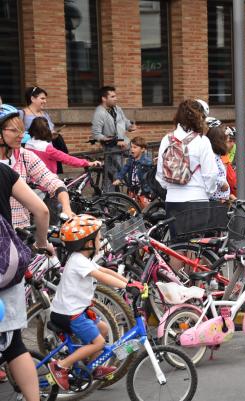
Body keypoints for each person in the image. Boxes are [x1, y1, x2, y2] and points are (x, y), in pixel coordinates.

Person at [48, 215, 143, 390]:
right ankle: (61, 365)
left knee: (104, 329)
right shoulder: (78, 261)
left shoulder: (83, 259)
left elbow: (105, 270)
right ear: (87, 243)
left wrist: (129, 283)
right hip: (70, 315)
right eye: (98, 237)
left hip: (75, 311)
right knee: (98, 343)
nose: (100, 240)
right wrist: (126, 287)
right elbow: (101, 277)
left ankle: (92, 368)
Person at [0, 162, 53, 401]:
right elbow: (41, 210)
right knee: (14, 345)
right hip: (5, 271)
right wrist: (41, 243)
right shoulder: (3, 171)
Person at [0, 104, 73, 227]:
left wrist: (67, 208)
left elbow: (52, 181)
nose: (21, 135)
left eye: (22, 130)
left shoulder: (25, 156)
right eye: (14, 130)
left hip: (20, 230)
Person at [156, 100, 218, 237]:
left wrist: (171, 187)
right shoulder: (202, 141)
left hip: (172, 200)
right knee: (194, 248)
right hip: (197, 200)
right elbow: (211, 174)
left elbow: (160, 173)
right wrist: (208, 192)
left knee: (176, 248)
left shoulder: (167, 139)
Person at [91, 86, 138, 192]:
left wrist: (130, 126)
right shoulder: (99, 113)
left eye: (115, 96)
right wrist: (113, 140)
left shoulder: (118, 109)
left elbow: (125, 122)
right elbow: (96, 134)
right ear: (104, 98)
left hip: (125, 145)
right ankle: (111, 200)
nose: (116, 98)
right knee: (114, 175)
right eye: (112, 96)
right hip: (112, 149)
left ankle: (134, 191)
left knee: (141, 158)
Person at [19, 86, 71, 174]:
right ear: (32, 98)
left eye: (45, 99)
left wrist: (53, 134)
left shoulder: (45, 114)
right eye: (42, 98)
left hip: (48, 151)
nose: (45, 101)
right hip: (32, 152)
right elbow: (18, 133)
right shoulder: (22, 114)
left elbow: (49, 131)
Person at [25, 117, 100, 174]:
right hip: (47, 183)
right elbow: (67, 159)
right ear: (46, 130)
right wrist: (87, 163)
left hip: (31, 181)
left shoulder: (28, 144)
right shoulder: (47, 148)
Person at [112, 136, 153, 209]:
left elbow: (151, 175)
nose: (132, 149)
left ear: (143, 149)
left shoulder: (147, 161)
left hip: (143, 191)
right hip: (132, 189)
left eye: (135, 147)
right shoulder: (131, 160)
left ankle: (146, 219)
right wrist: (119, 178)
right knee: (132, 209)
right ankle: (134, 219)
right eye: (131, 147)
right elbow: (125, 169)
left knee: (145, 209)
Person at [206, 125, 231, 202]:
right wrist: (222, 183)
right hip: (215, 200)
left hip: (219, 199)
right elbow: (210, 173)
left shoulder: (216, 156)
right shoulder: (212, 157)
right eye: (226, 141)